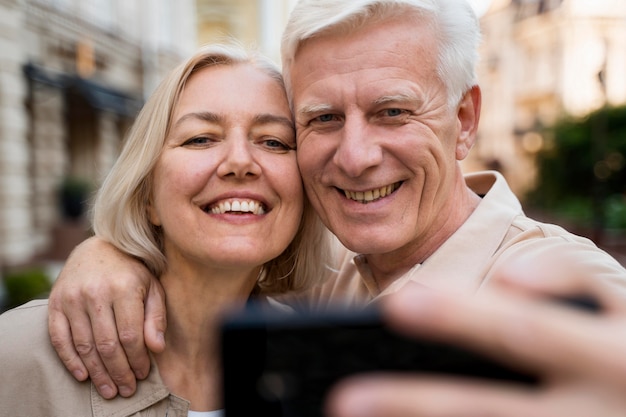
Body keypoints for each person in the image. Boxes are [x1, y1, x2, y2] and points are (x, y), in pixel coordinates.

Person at [48, 0, 626, 402]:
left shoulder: (566, 288)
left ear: (465, 120)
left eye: (392, 112)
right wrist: (110, 254)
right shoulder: (329, 279)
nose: (354, 157)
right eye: (322, 118)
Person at [0, 42, 330, 416]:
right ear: (147, 197)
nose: (240, 161)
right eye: (201, 138)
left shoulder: (318, 360)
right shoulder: (15, 357)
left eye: (273, 141)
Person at [326, 254, 626, 417]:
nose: (357, 159)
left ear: (465, 135)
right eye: (325, 133)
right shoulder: (330, 272)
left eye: (393, 132)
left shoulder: (564, 266)